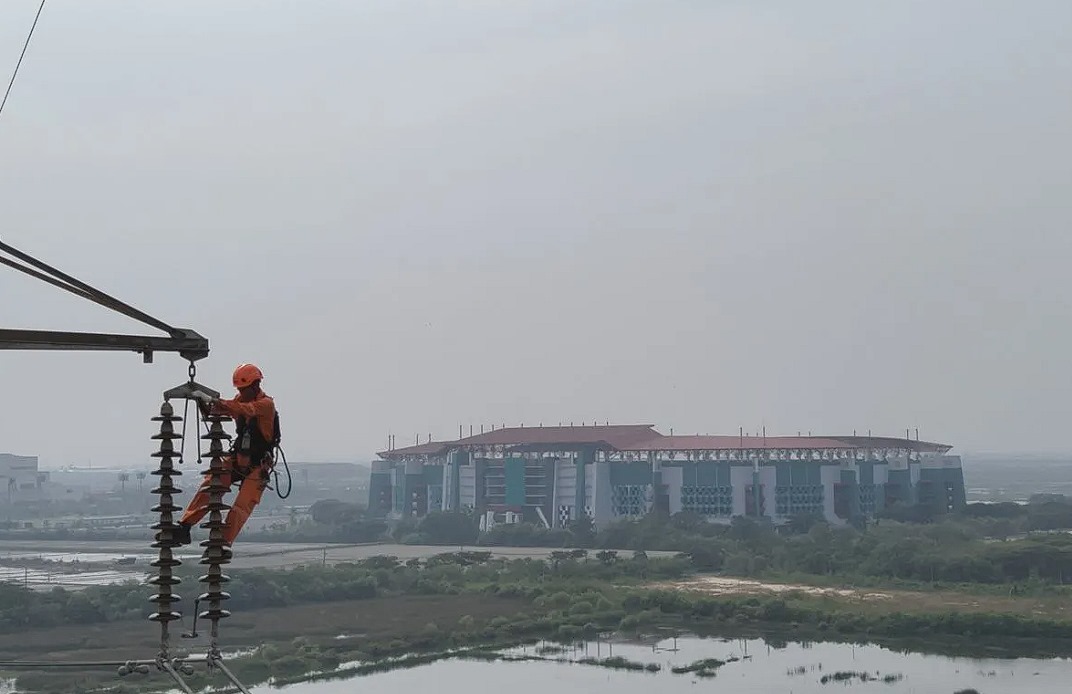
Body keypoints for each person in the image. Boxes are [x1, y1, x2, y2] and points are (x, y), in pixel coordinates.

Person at [175, 363, 278, 552]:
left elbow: (244, 409)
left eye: (244, 389)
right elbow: (227, 410)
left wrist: (215, 400)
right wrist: (205, 404)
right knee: (211, 483)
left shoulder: (265, 405)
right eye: (239, 389)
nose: (241, 392)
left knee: (242, 505)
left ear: (255, 386)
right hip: (239, 457)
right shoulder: (240, 401)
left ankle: (222, 543)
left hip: (258, 464)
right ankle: (185, 526)